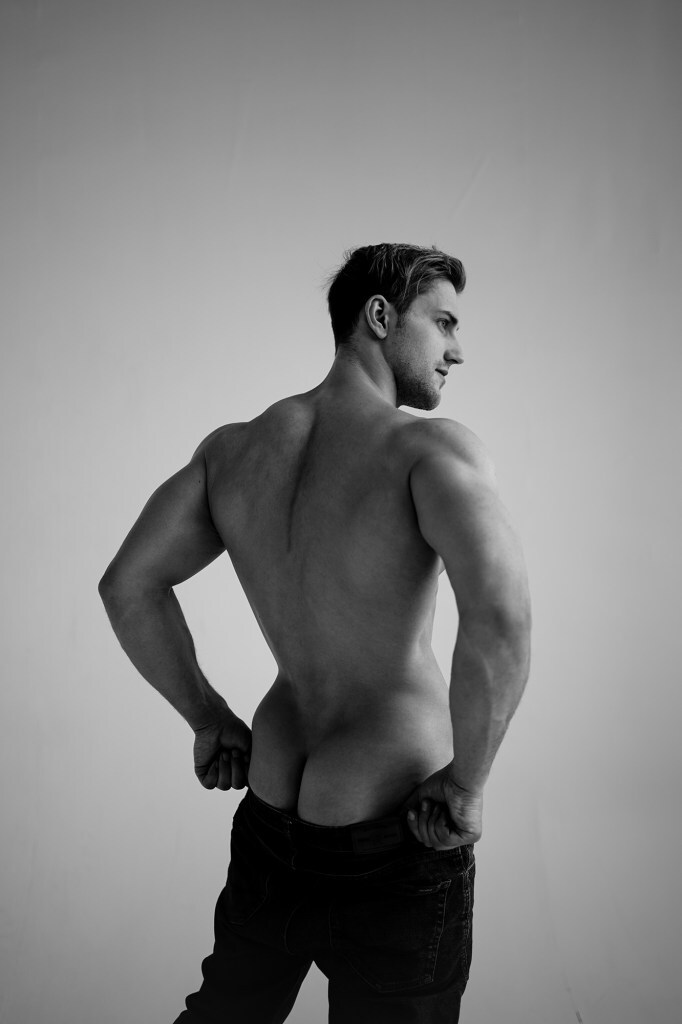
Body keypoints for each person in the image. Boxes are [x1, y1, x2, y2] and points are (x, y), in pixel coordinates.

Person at [99, 242, 532, 1023]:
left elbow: (127, 586)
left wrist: (208, 718)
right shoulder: (427, 451)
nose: (458, 350)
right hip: (398, 834)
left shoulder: (233, 452)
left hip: (272, 816)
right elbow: (500, 618)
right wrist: (467, 786)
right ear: (380, 316)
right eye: (443, 323)